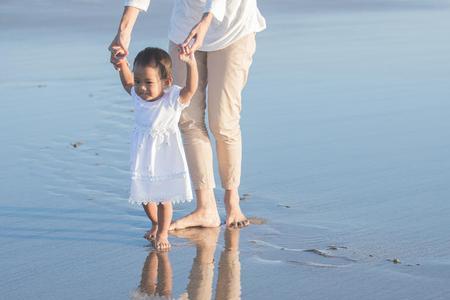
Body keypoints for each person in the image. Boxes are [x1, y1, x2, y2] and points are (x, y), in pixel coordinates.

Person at [109, 0, 266, 229]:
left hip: (233, 27)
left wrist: (206, 20)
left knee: (223, 122)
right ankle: (206, 208)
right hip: (185, 28)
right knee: (188, 120)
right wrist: (123, 32)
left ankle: (232, 200)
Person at [116, 46, 198, 250]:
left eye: (148, 82)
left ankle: (163, 232)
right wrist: (121, 64)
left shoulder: (172, 99)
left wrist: (191, 63)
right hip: (143, 153)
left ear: (166, 82)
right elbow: (127, 83)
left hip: (165, 154)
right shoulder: (137, 94)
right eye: (139, 81)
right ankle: (155, 223)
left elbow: (191, 89)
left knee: (163, 198)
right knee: (144, 194)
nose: (141, 87)